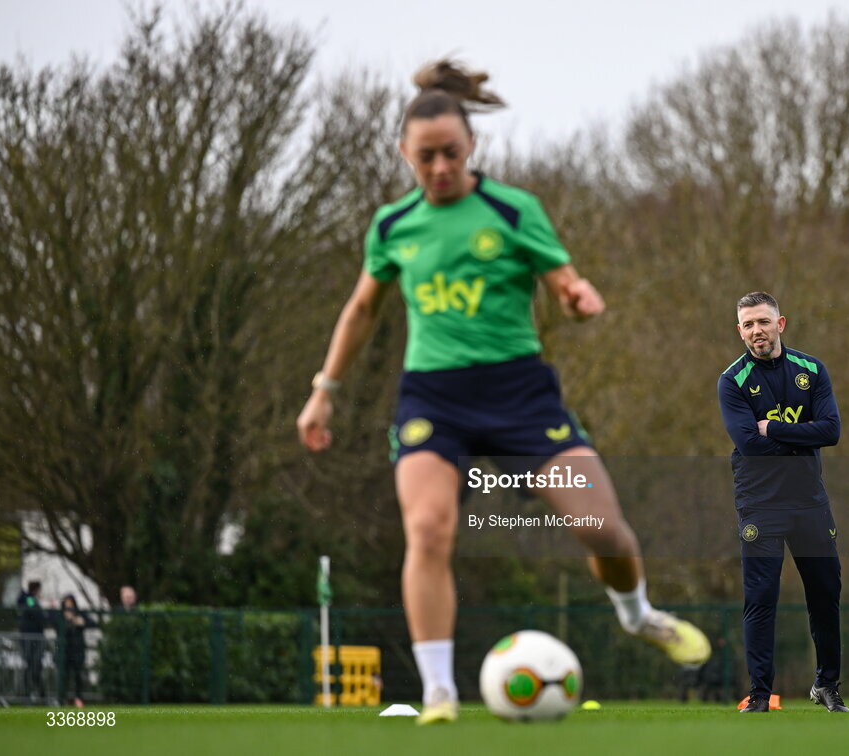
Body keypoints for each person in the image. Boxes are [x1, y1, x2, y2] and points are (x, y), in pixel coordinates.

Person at [297, 59, 711, 724]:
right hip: (432, 399)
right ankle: (438, 692)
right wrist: (324, 390)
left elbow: (566, 285)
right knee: (428, 529)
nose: (438, 169)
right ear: (404, 153)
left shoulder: (513, 210)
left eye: (451, 155)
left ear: (472, 148)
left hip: (521, 394)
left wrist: (577, 299)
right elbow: (360, 312)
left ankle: (638, 616)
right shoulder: (392, 226)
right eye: (425, 157)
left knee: (601, 528)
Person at [717, 291, 849, 713]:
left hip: (810, 502)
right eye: (748, 324)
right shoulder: (732, 381)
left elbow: (831, 432)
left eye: (763, 321)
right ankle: (759, 694)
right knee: (761, 598)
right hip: (760, 504)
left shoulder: (813, 370)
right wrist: (797, 435)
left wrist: (772, 428)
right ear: (740, 331)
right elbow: (749, 447)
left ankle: (826, 685)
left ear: (781, 324)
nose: (757, 330)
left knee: (825, 592)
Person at [61, 594, 94, 707]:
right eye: (67, 605)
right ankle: (63, 698)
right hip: (64, 650)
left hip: (78, 650)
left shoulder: (80, 614)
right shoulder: (61, 615)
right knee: (64, 675)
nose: (69, 607)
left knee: (78, 675)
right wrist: (66, 622)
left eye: (71, 605)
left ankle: (78, 698)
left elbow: (92, 623)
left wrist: (82, 622)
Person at [17, 580, 47, 702]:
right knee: (31, 667)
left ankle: (39, 693)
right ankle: (30, 694)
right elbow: (33, 609)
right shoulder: (29, 600)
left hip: (33, 640)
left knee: (35, 668)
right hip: (31, 640)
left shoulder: (30, 600)